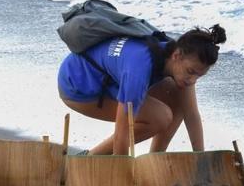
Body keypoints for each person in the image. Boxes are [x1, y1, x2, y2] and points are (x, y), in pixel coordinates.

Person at [58, 25, 226, 156]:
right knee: (161, 117)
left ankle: (156, 158)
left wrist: (201, 159)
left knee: (178, 93)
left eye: (199, 75)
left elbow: (191, 114)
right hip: (79, 87)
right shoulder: (138, 70)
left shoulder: (178, 54)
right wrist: (123, 174)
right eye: (191, 72)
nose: (193, 80)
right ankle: (90, 157)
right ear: (177, 55)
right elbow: (122, 133)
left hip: (109, 77)